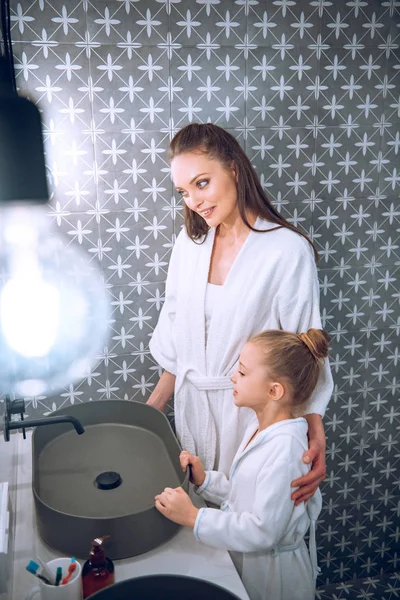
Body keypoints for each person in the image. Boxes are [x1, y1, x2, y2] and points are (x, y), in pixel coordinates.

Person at [148, 123, 333, 505]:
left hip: (253, 421)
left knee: (254, 524)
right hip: (193, 411)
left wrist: (315, 432)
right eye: (183, 191)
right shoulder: (190, 244)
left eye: (202, 183)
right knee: (207, 530)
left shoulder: (285, 250)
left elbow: (305, 350)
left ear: (233, 169)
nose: (194, 201)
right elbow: (174, 338)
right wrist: (148, 415)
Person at [155, 328, 329, 600]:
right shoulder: (260, 429)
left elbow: (262, 531)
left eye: (243, 372)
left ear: (274, 390)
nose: (232, 376)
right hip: (252, 563)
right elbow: (246, 495)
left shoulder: (286, 451)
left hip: (276, 579)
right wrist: (205, 481)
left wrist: (193, 517)